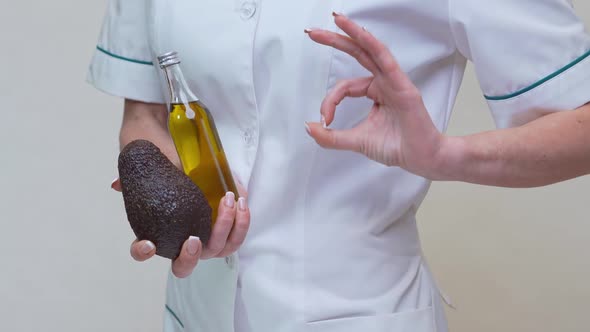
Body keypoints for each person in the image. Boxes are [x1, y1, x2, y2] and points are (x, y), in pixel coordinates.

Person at [88, 1, 590, 331]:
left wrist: (442, 155)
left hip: (358, 310)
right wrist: (178, 204)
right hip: (194, 313)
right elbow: (145, 112)